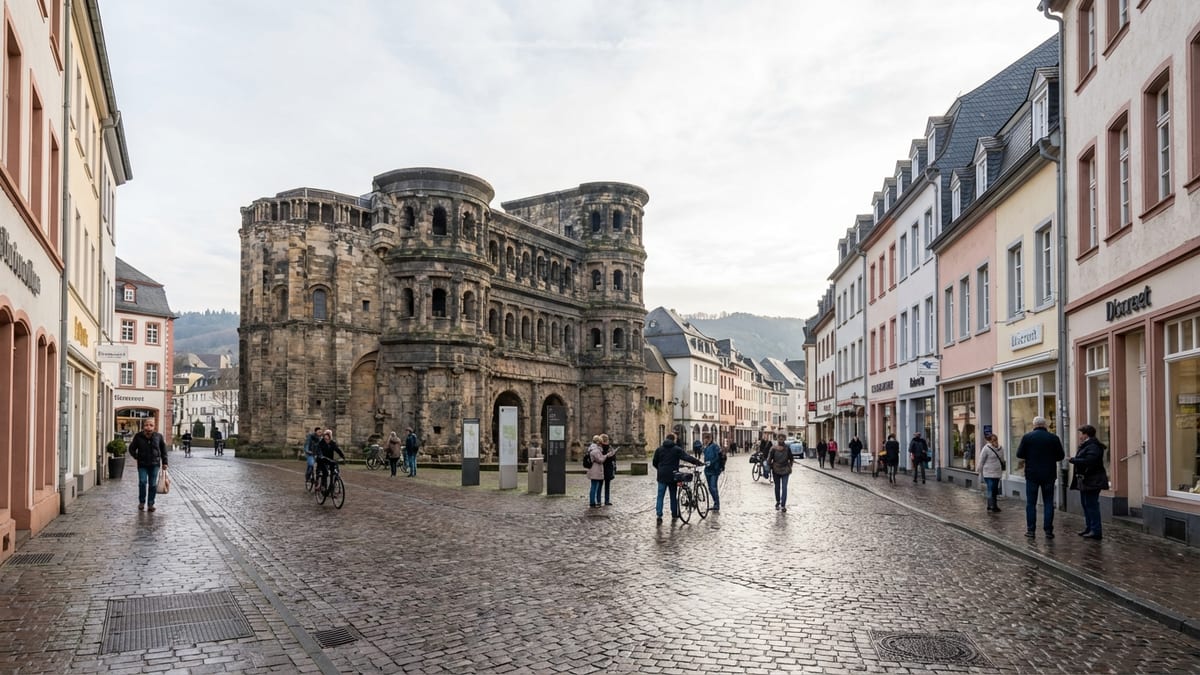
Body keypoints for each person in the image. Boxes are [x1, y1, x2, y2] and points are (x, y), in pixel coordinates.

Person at [1016, 416, 1066, 539]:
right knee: (1048, 502)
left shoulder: (1027, 437)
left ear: (1034, 425)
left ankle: (1031, 530)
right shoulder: (1053, 438)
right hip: (1049, 474)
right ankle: (1048, 531)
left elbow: (1019, 454)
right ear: (1045, 425)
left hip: (1032, 474)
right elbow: (1060, 456)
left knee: (1031, 503)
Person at [651, 433, 703, 524]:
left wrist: (660, 469)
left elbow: (654, 462)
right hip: (673, 475)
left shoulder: (659, 449)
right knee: (673, 496)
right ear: (673, 440)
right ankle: (674, 514)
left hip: (662, 476)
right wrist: (698, 462)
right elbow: (687, 457)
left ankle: (659, 514)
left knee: (660, 496)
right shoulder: (676, 449)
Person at [1070, 424, 1109, 540]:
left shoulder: (1093, 446)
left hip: (1093, 480)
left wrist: (1073, 460)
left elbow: (1090, 460)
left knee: (1091, 505)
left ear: (1086, 434)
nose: (1080, 436)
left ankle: (1096, 530)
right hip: (1086, 479)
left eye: (1081, 433)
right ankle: (1089, 528)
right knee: (1086, 504)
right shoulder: (1087, 445)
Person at [128, 418, 168, 512]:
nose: (148, 427)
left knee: (153, 484)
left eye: (151, 425)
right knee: (142, 482)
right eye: (146, 425)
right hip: (142, 464)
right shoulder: (138, 436)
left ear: (154, 426)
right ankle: (142, 502)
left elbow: (164, 450)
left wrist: (165, 462)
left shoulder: (158, 437)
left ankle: (150, 504)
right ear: (143, 426)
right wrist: (137, 456)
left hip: (155, 464)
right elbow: (131, 449)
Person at [978, 433, 1005, 512]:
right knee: (990, 488)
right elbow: (981, 459)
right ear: (989, 441)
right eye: (992, 440)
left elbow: (1002, 459)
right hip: (988, 472)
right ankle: (992, 506)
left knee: (994, 489)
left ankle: (993, 505)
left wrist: (1003, 468)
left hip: (997, 472)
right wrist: (979, 469)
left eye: (995, 439)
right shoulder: (986, 448)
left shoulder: (1001, 448)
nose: (994, 441)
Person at [316, 429, 346, 493]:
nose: (327, 439)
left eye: (328, 438)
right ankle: (323, 485)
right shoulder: (321, 442)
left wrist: (343, 456)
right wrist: (321, 456)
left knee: (335, 471)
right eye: (325, 438)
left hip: (330, 460)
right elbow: (318, 450)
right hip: (322, 460)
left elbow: (337, 449)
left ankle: (332, 487)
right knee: (325, 472)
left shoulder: (332, 443)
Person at [768, 438, 794, 512]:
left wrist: (770, 466)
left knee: (779, 487)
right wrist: (790, 466)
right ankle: (782, 504)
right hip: (784, 469)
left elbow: (769, 459)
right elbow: (791, 459)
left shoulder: (774, 448)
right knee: (783, 487)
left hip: (778, 469)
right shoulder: (786, 448)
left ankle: (779, 503)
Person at [701, 432, 723, 512]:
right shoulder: (705, 448)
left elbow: (717, 457)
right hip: (707, 470)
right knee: (710, 488)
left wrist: (711, 462)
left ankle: (717, 504)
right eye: (704, 440)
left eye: (705, 439)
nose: (704, 441)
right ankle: (715, 503)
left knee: (713, 487)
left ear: (709, 439)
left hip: (714, 470)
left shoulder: (715, 446)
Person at [600, 433, 617, 506]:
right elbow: (613, 459)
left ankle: (598, 500)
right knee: (607, 486)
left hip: (600, 468)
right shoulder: (610, 448)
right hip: (608, 468)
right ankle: (607, 500)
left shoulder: (599, 447)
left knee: (599, 485)